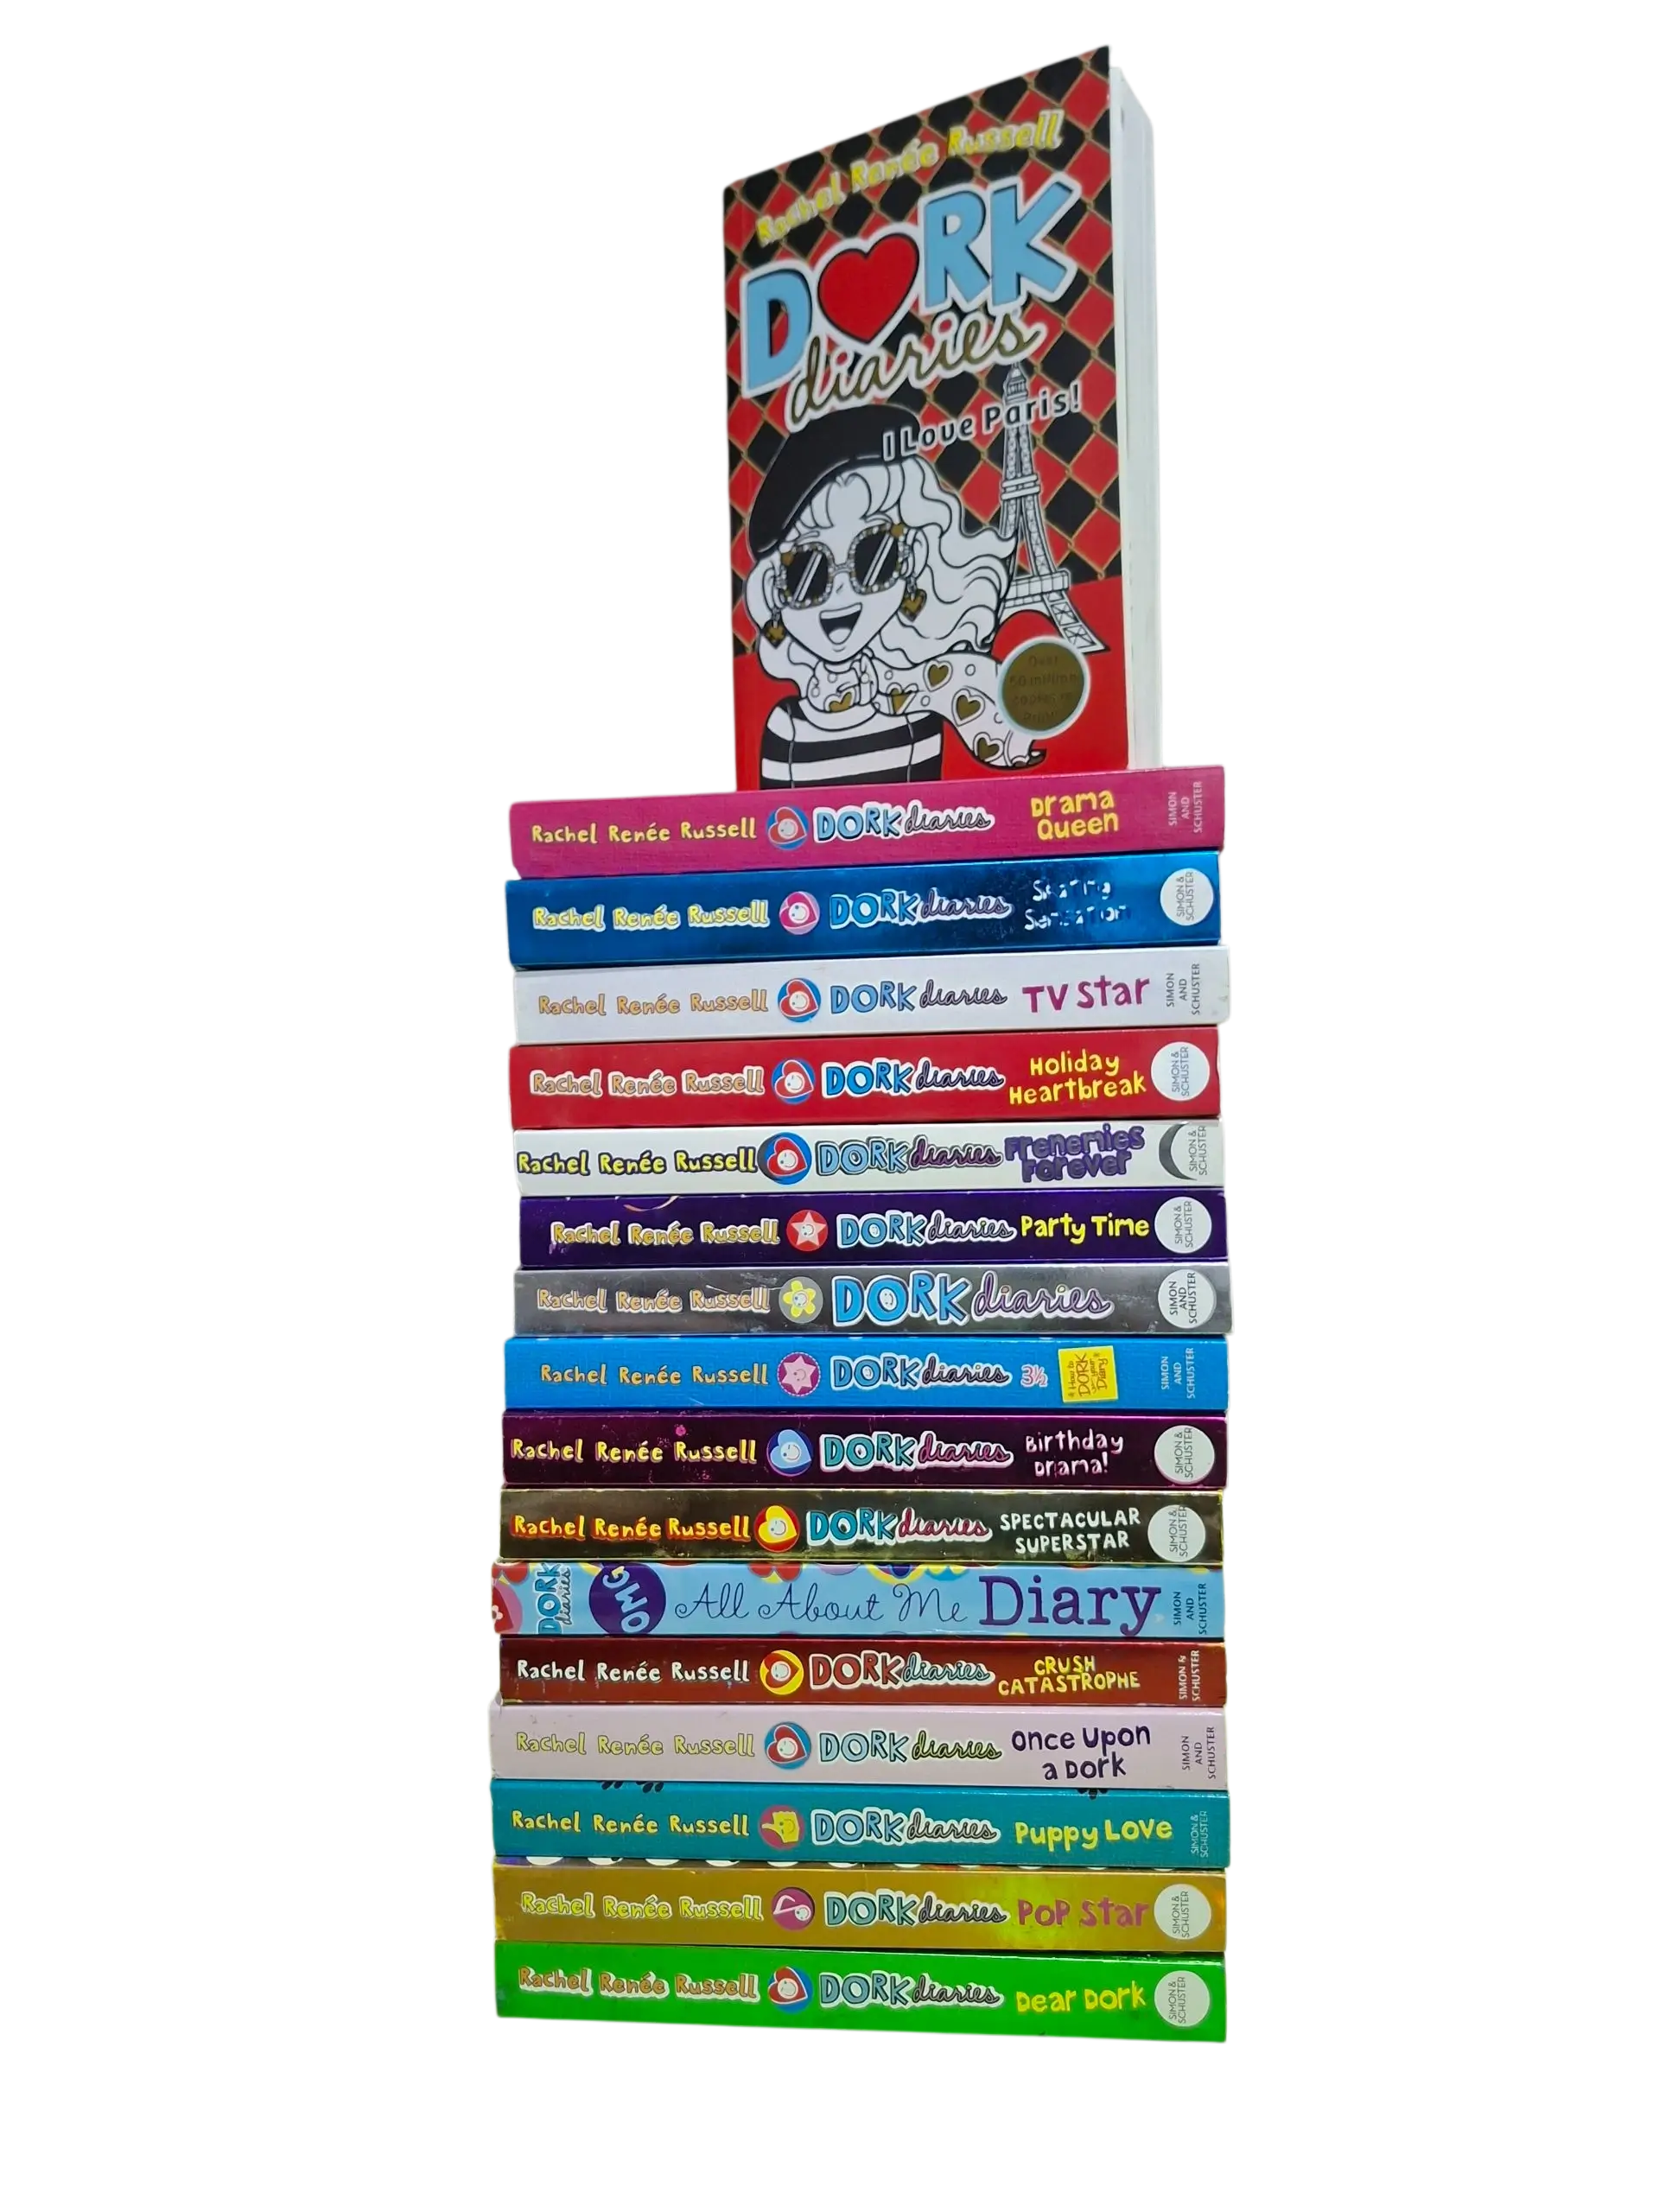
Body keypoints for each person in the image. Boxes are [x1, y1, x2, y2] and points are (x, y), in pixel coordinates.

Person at [742, 404, 1039, 786]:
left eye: (875, 557)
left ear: (912, 559)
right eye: (807, 573)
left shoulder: (917, 714)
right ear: (774, 589)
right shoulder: (786, 726)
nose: (842, 590)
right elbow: (771, 821)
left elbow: (932, 816)